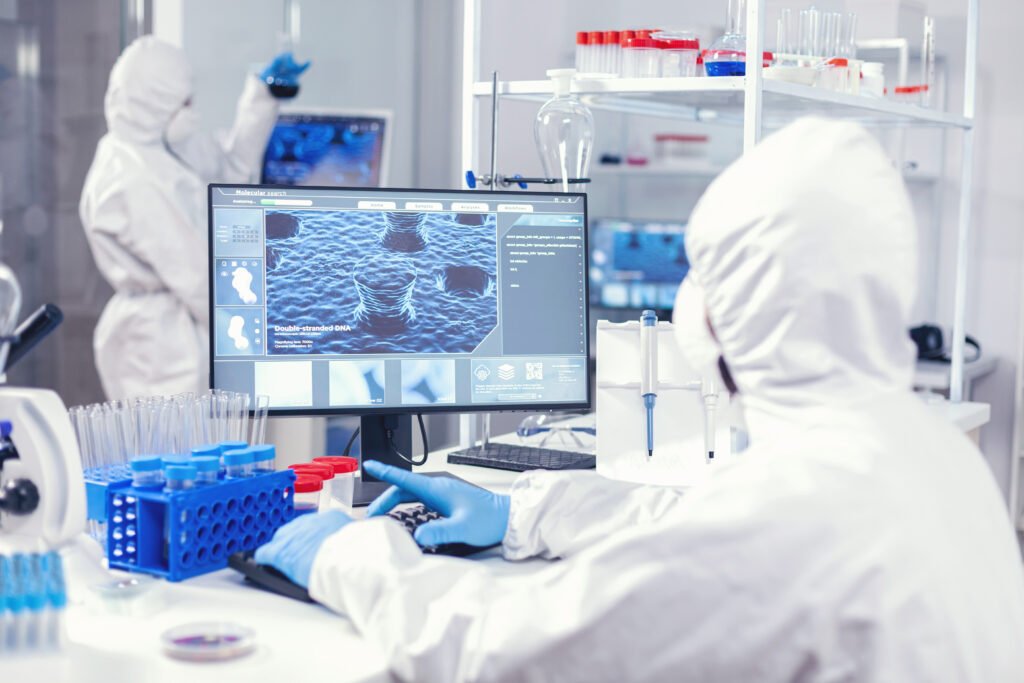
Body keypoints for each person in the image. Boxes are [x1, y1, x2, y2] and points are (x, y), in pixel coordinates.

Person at [257, 118, 1024, 682]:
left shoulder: (785, 519)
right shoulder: (925, 454)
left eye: (708, 277)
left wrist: (347, 554)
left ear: (752, 310)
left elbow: (504, 645)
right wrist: (527, 510)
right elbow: (689, 526)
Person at [79, 36, 309, 399]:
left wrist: (262, 97)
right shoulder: (132, 179)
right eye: (184, 103)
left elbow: (230, 170)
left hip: (187, 328)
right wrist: (275, 336)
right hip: (159, 347)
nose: (193, 110)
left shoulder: (161, 148)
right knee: (174, 450)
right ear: (154, 105)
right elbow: (200, 280)